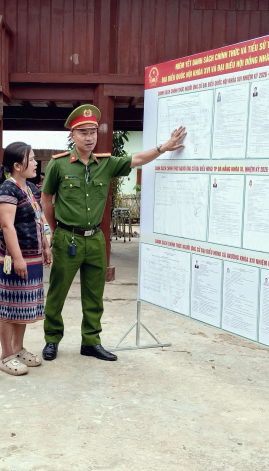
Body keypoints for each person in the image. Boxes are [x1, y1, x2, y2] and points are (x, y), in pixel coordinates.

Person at [41, 104, 186, 361]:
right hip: (67, 238)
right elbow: (46, 200)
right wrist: (55, 232)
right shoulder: (59, 165)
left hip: (96, 240)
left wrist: (163, 147)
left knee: (95, 295)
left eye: (93, 132)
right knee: (58, 292)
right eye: (83, 132)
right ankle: (52, 339)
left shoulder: (106, 164)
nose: (89, 137)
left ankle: (91, 342)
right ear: (72, 136)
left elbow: (137, 159)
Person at [0, 142, 52, 376]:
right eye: (32, 159)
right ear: (17, 165)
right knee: (8, 307)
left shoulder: (31, 189)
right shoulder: (7, 190)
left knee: (23, 307)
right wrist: (17, 258)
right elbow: (7, 226)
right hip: (14, 259)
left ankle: (18, 349)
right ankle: (5, 354)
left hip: (33, 256)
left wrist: (46, 246)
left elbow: (40, 219)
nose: (36, 163)